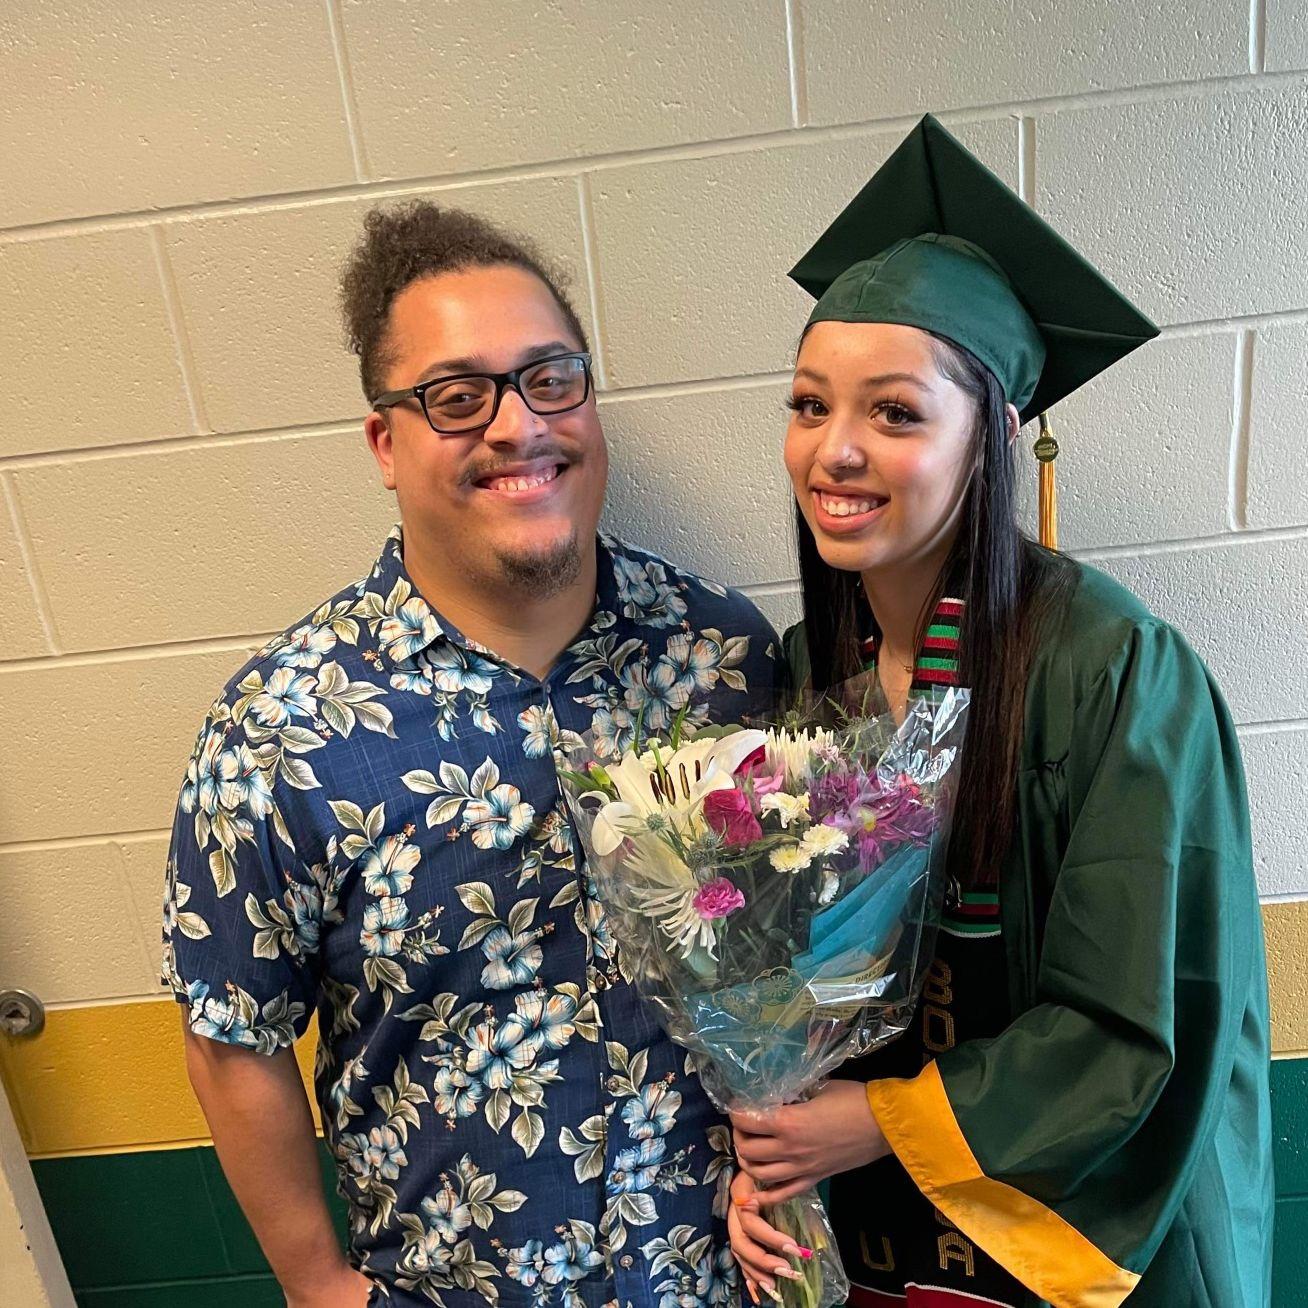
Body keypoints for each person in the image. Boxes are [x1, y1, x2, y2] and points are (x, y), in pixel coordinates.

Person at [162, 201, 780, 1308]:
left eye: (551, 379)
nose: (517, 425)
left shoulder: (721, 659)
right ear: (384, 444)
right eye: (456, 397)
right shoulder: (282, 730)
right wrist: (317, 1285)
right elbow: (230, 1034)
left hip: (718, 1283)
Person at [726, 116, 1273, 1307]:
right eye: (810, 405)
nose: (835, 451)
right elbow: (783, 975)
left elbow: (1137, 1025)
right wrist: (766, 1143)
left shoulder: (1116, 672)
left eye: (895, 413)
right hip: (876, 1229)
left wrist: (873, 1122)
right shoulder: (809, 668)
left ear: (995, 437)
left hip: (1066, 1236)